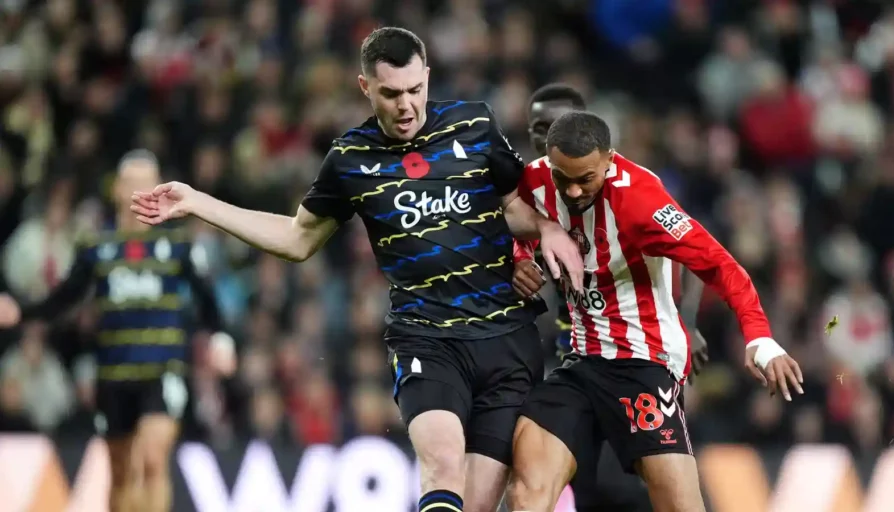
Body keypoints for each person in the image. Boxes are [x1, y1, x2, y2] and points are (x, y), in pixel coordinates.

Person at [128, 27, 583, 512]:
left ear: (427, 78)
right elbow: (297, 239)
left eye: (414, 90)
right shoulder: (350, 159)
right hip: (426, 338)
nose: (406, 105)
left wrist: (547, 231)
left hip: (505, 340)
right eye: (390, 93)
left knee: (476, 504)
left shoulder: (474, 124)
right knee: (443, 463)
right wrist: (198, 202)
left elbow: (512, 206)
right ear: (366, 87)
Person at [505, 111, 804, 512]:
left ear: (609, 160)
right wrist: (520, 260)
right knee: (527, 492)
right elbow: (514, 224)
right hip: (580, 362)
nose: (573, 192)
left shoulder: (642, 200)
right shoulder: (538, 179)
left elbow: (719, 264)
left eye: (585, 179)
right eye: (565, 179)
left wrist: (760, 337)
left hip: (643, 363)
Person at [510, 84, 710, 512]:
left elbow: (684, 252)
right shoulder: (530, 191)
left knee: (629, 493)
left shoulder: (621, 189)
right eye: (537, 129)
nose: (546, 139)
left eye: (555, 127)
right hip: (570, 362)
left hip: (633, 362)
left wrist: (683, 321)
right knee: (573, 490)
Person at [0, 150, 235, 512]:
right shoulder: (97, 247)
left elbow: (208, 300)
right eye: (134, 182)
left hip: (164, 369)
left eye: (149, 181)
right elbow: (64, 298)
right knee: (121, 470)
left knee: (153, 457)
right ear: (117, 189)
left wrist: (220, 339)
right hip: (114, 373)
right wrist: (21, 312)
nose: (143, 189)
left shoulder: (179, 246)